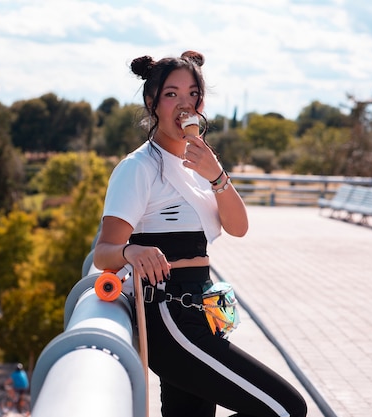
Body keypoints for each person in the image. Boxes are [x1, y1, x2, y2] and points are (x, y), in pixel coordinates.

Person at [93, 51, 307, 417]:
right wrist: (129, 252)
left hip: (200, 308)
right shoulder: (138, 168)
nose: (184, 104)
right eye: (171, 94)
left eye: (193, 94)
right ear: (152, 102)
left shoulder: (199, 166)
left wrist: (216, 174)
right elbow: (103, 252)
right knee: (285, 409)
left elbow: (238, 228)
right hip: (168, 313)